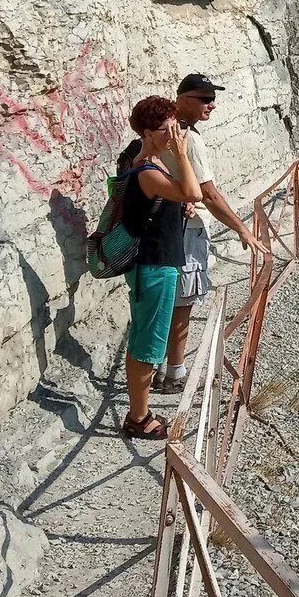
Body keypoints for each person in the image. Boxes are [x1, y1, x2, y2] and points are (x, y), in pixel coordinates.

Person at [153, 73, 269, 394]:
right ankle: (176, 373)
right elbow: (210, 196)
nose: (212, 105)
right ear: (183, 99)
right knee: (183, 301)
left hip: (161, 229)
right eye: (204, 98)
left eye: (212, 98)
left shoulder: (162, 131)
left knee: (165, 299)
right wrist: (243, 229)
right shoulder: (190, 140)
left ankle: (158, 369)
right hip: (185, 231)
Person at [118, 95, 203, 439]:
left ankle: (140, 410)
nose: (175, 134)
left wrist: (178, 207)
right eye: (169, 128)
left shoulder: (143, 163)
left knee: (144, 338)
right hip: (154, 265)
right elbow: (194, 192)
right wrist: (182, 156)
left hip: (153, 264)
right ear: (150, 132)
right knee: (146, 344)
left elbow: (178, 198)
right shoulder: (148, 170)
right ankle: (138, 418)